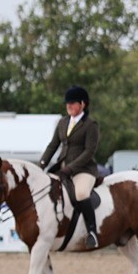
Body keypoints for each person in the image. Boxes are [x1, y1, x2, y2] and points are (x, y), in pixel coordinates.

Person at [40, 86, 100, 248]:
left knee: (80, 194)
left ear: (83, 104)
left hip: (84, 170)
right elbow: (53, 145)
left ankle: (92, 232)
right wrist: (42, 164)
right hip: (63, 168)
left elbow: (89, 151)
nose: (69, 106)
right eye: (67, 103)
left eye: (73, 103)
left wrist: (70, 168)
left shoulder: (90, 124)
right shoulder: (63, 122)